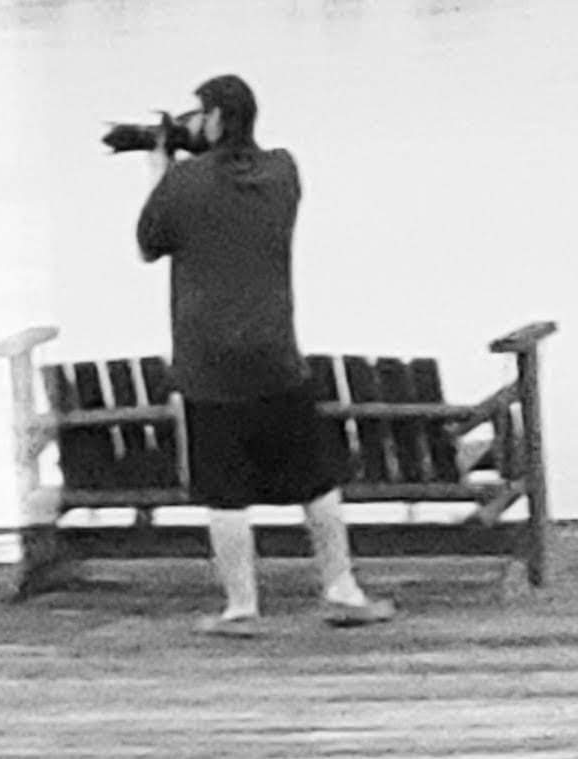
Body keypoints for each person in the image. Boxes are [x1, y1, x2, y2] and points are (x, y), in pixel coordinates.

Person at [137, 74, 395, 636]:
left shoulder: (183, 182)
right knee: (316, 480)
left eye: (199, 113)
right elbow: (233, 186)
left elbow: (149, 243)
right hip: (276, 354)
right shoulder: (283, 171)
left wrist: (161, 166)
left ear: (215, 119)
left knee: (224, 493)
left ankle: (242, 608)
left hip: (207, 361)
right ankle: (342, 589)